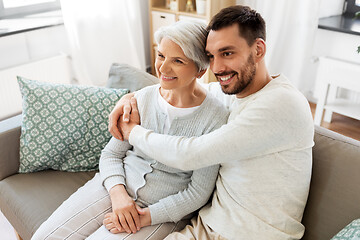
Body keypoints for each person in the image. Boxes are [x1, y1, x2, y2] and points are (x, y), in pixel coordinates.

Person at [108, 5, 315, 240]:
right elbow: (182, 88)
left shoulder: (281, 104)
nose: (217, 68)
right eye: (211, 56)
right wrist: (128, 99)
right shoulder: (233, 92)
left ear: (258, 49)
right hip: (208, 226)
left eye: (227, 53)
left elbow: (190, 155)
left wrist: (131, 131)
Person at [31, 21, 229, 240]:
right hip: (113, 186)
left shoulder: (216, 119)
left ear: (200, 70)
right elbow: (111, 154)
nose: (162, 68)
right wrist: (119, 196)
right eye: (161, 55)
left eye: (178, 61)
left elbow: (197, 192)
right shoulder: (142, 98)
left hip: (161, 211)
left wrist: (145, 216)